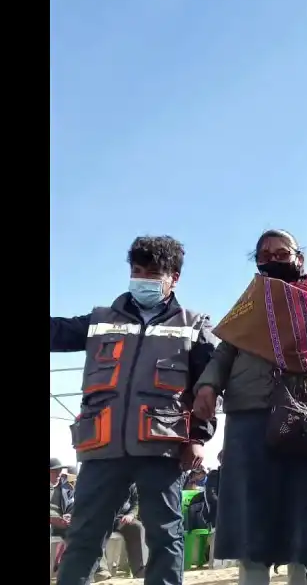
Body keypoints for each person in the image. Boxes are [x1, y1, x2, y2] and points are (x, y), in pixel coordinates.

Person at [50, 235, 218, 585]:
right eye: (137, 270)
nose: (143, 278)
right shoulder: (98, 319)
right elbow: (55, 331)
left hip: (161, 448)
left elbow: (207, 389)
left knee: (165, 537)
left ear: (175, 277)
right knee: (84, 535)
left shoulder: (194, 323)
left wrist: (198, 438)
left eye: (153, 272)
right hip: (102, 447)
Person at [192, 229, 307, 585]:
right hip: (249, 416)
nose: (272, 258)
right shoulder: (250, 303)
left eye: (281, 252)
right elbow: (225, 351)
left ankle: (303, 577)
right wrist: (208, 385)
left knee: (306, 505)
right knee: (251, 511)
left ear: (300, 259)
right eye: (264, 254)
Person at [109, 483, 148, 579]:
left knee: (137, 527)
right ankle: (101, 570)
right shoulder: (104, 479)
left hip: (121, 519)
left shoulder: (131, 484)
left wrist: (131, 515)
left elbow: (135, 504)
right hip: (103, 517)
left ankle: (139, 570)